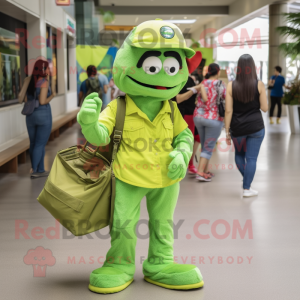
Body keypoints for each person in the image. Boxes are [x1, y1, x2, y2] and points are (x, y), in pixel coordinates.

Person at [225, 54, 268, 197]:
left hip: (238, 128)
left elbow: (228, 110)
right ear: (252, 67)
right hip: (256, 127)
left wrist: (226, 132)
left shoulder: (231, 85)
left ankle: (247, 182)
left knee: (239, 155)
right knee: (252, 159)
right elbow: (265, 108)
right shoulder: (259, 84)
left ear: (239, 68)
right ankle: (247, 187)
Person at [193, 63, 226, 182]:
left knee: (204, 145)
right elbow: (226, 98)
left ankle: (205, 170)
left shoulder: (202, 83)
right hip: (213, 118)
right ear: (218, 72)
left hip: (198, 117)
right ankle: (200, 172)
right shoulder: (220, 84)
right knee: (208, 147)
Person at [25, 59, 55, 178]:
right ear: (44, 69)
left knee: (34, 143)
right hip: (43, 115)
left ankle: (41, 169)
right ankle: (35, 170)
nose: (49, 70)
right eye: (47, 67)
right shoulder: (43, 81)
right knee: (40, 144)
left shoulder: (29, 80)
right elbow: (43, 101)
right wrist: (52, 95)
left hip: (30, 116)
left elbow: (24, 98)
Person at [173, 74, 201, 174]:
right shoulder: (177, 79)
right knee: (187, 140)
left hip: (192, 113)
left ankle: (189, 163)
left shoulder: (188, 78)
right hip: (185, 114)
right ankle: (187, 164)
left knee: (197, 138)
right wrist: (193, 90)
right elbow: (178, 98)